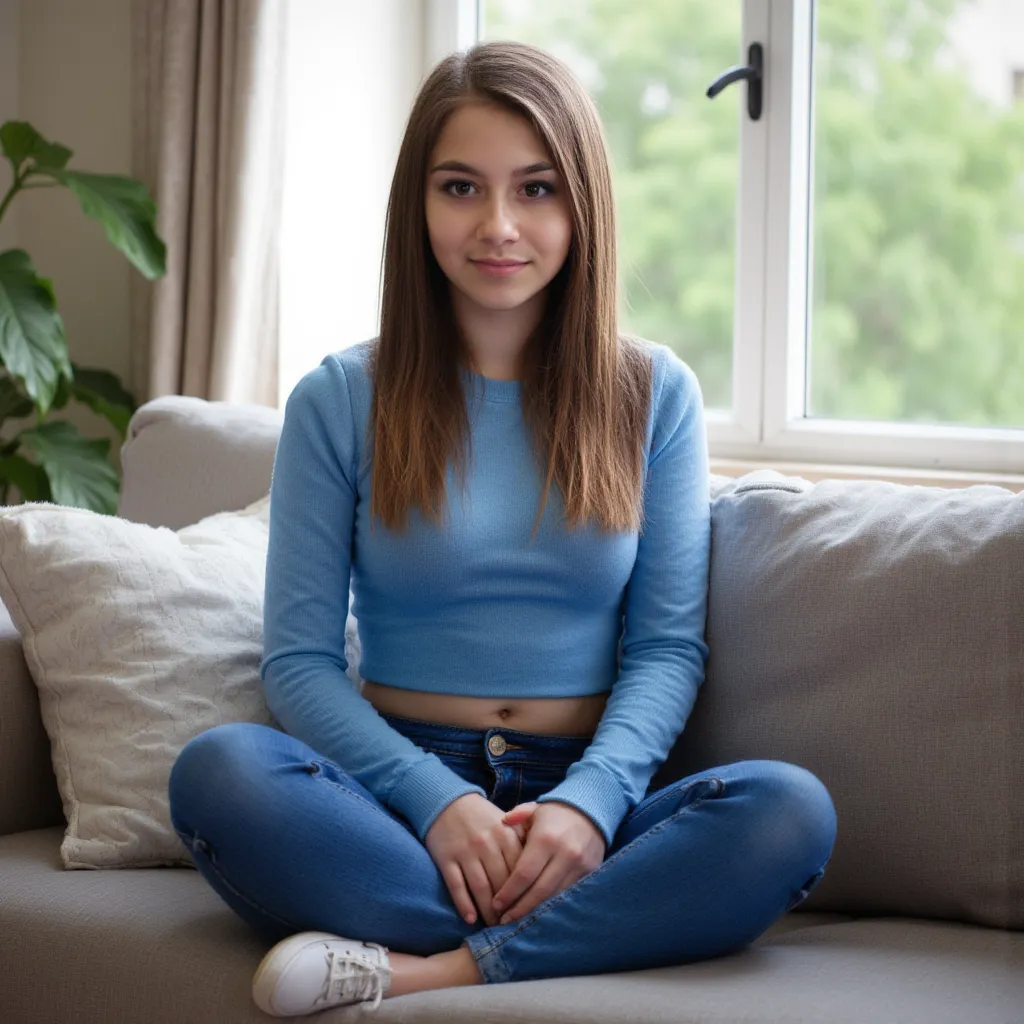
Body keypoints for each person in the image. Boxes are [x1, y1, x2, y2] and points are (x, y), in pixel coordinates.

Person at [168, 40, 837, 1019]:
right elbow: (299, 663)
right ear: (417, 205)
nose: (497, 225)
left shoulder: (654, 396)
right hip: (395, 796)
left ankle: (424, 970)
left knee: (788, 812)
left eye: (535, 189)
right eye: (459, 187)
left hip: (583, 790)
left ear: (581, 207)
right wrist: (438, 803)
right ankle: (580, 932)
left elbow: (663, 649)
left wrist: (586, 805)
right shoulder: (339, 399)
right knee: (219, 773)